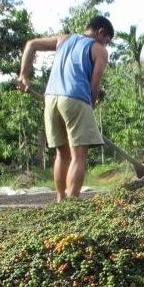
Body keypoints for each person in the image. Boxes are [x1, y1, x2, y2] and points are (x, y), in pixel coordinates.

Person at [16, 15, 114, 201]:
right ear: (100, 32)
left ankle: (61, 200)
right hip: (75, 99)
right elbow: (95, 84)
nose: (106, 45)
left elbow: (31, 44)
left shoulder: (64, 39)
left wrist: (23, 75)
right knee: (78, 156)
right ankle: (73, 201)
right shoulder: (99, 50)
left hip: (51, 99)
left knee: (62, 153)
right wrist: (90, 105)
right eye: (107, 41)